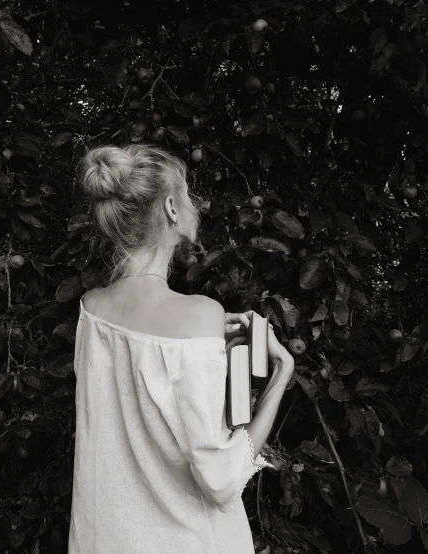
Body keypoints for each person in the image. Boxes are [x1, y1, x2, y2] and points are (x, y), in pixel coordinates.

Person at [67, 144, 295, 553]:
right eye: (189, 194)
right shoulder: (199, 314)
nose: (197, 204)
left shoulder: (91, 309)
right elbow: (221, 479)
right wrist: (282, 375)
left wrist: (203, 344)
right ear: (172, 208)